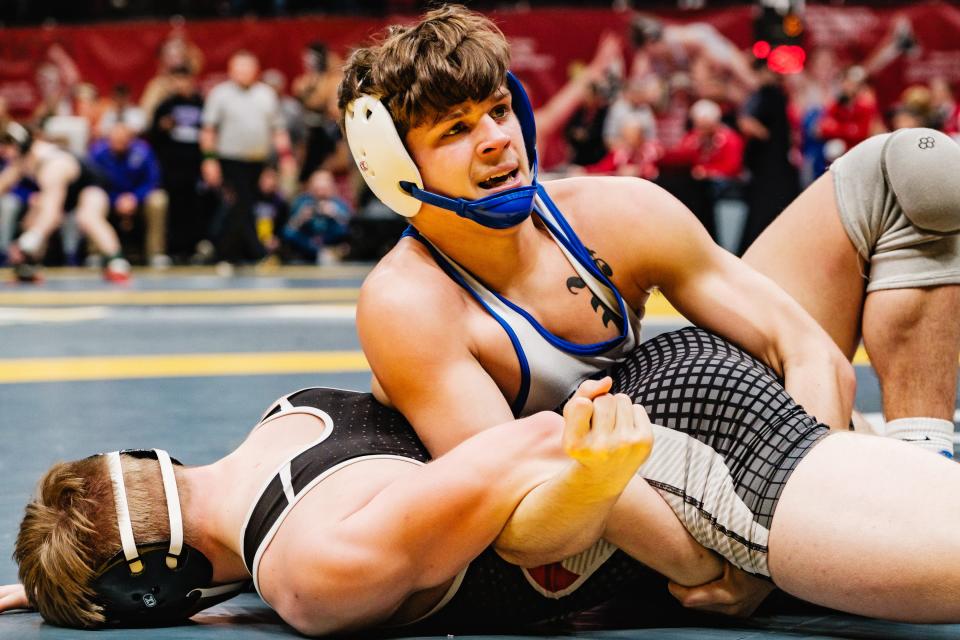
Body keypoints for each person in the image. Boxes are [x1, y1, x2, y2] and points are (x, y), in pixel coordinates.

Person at [8, 328, 960, 632]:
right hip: (668, 377)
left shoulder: (311, 570)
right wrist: (38, 584)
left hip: (688, 471)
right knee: (894, 189)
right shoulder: (283, 420)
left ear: (161, 591)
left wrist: (719, 568)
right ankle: (910, 445)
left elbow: (535, 445)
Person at [344, 5, 854, 463]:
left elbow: (813, 353)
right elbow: (512, 509)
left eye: (500, 111)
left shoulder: (620, 211)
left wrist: (813, 487)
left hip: (645, 471)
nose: (498, 139)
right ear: (394, 168)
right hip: (573, 513)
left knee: (902, 167)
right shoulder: (407, 303)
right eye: (456, 129)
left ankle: (926, 441)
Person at [0, 122, 130, 282]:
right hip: (65, 191)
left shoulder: (52, 166)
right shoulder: (22, 159)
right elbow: (3, 183)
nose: (3, 152)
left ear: (20, 146)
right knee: (32, 218)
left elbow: (53, 213)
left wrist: (30, 240)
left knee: (88, 217)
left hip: (89, 187)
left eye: (6, 146)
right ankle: (29, 265)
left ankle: (116, 261)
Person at [201, 50, 294, 264]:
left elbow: (278, 130)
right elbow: (208, 130)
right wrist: (209, 159)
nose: (243, 73)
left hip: (258, 161)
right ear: (231, 70)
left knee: (248, 206)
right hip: (230, 160)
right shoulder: (220, 94)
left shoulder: (266, 95)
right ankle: (255, 252)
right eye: (238, 68)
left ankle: (228, 253)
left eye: (247, 68)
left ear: (256, 71)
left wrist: (285, 158)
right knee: (240, 204)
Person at [88, 122, 169, 268]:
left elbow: (153, 180)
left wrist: (134, 198)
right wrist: (115, 200)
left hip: (137, 199)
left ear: (130, 140)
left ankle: (155, 253)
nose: (119, 144)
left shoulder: (143, 151)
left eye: (123, 141)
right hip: (109, 198)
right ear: (109, 139)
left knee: (159, 199)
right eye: (116, 141)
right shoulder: (98, 153)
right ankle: (96, 253)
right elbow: (92, 181)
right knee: (92, 199)